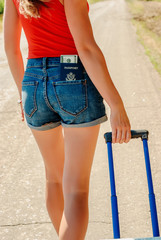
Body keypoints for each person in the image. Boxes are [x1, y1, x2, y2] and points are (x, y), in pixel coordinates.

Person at [3, 0, 131, 239]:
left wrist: (24, 93)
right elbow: (86, 47)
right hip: (71, 76)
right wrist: (116, 104)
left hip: (31, 82)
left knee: (54, 179)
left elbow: (11, 48)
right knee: (76, 189)